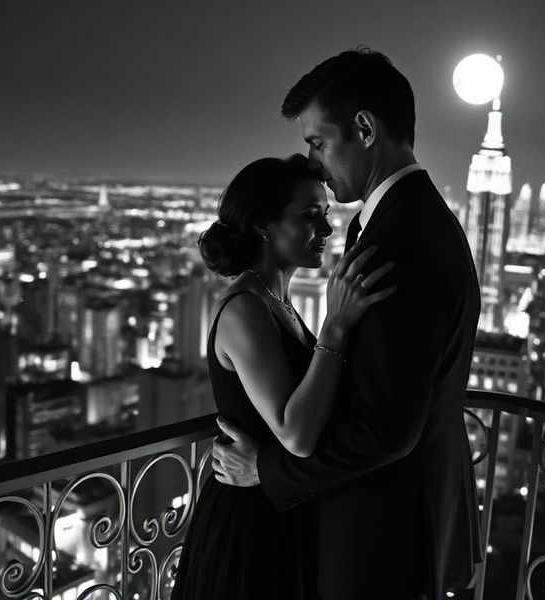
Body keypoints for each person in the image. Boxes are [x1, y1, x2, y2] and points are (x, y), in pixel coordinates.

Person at [211, 47, 483, 600]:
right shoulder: (415, 219)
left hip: (382, 534)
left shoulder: (398, 241)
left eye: (316, 141)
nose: (314, 158)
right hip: (397, 517)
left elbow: (385, 428)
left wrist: (267, 471)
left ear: (363, 128)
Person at [170, 153, 396, 600]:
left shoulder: (277, 302)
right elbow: (295, 434)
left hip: (278, 505)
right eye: (310, 217)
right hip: (249, 521)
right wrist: (335, 328)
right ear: (264, 226)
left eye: (326, 214)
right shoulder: (245, 309)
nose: (327, 230)